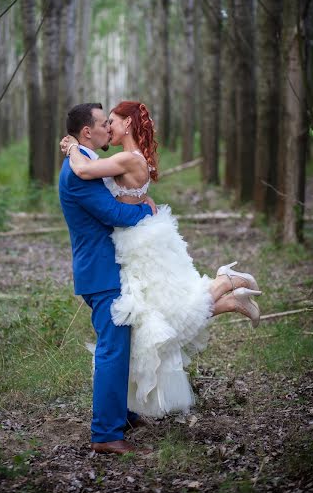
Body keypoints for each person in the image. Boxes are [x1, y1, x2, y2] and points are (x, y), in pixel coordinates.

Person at [60, 101, 262, 419]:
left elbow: (89, 174)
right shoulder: (120, 157)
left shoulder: (124, 157)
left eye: (112, 121)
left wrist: (72, 147)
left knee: (165, 315)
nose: (108, 127)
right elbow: (101, 176)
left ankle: (226, 281)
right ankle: (232, 300)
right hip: (132, 241)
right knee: (155, 319)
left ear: (127, 124)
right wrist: (77, 146)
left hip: (140, 240)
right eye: (104, 122)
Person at [58, 103, 156, 456]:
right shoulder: (77, 171)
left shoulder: (84, 161)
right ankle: (105, 435)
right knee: (113, 350)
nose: (108, 129)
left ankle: (123, 415)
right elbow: (113, 213)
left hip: (106, 268)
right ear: (88, 132)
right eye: (103, 124)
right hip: (101, 273)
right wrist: (146, 209)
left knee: (121, 346)